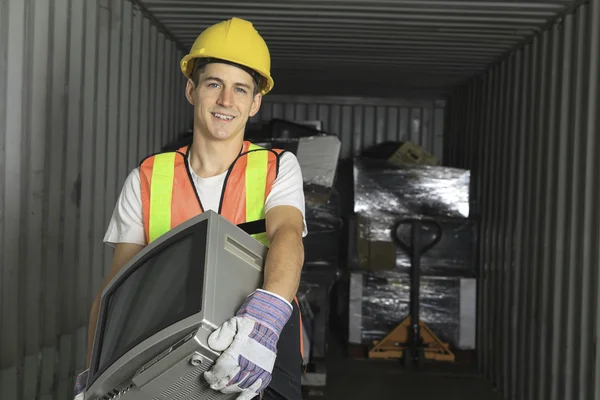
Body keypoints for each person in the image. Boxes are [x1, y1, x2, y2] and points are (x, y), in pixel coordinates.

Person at [73, 17, 307, 400]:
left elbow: (287, 236)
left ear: (255, 102)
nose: (226, 101)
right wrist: (93, 375)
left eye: (240, 90)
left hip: (260, 334)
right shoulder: (148, 177)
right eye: (214, 84)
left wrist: (265, 323)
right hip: (168, 339)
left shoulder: (277, 167)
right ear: (192, 90)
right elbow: (116, 287)